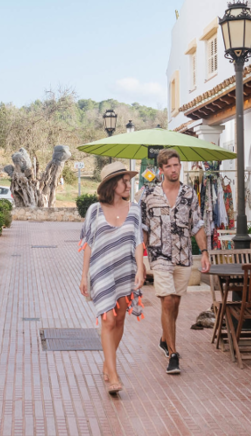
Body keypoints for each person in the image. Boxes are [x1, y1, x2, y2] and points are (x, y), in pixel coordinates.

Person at [140, 148, 209, 375]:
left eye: (176, 165)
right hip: (159, 256)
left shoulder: (189, 194)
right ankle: (173, 353)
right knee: (167, 301)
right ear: (161, 170)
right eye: (168, 166)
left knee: (175, 303)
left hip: (183, 256)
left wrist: (205, 253)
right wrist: (140, 261)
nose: (173, 169)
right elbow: (141, 228)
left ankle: (164, 339)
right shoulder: (148, 194)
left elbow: (197, 224)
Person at [79, 162, 145, 395]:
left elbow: (138, 240)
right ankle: (114, 374)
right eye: (124, 181)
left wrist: (140, 268)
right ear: (111, 185)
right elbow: (88, 243)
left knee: (119, 321)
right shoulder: (94, 210)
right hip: (101, 271)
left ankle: (108, 363)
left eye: (129, 181)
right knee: (107, 320)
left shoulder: (135, 209)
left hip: (125, 270)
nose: (128, 185)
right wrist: (84, 275)